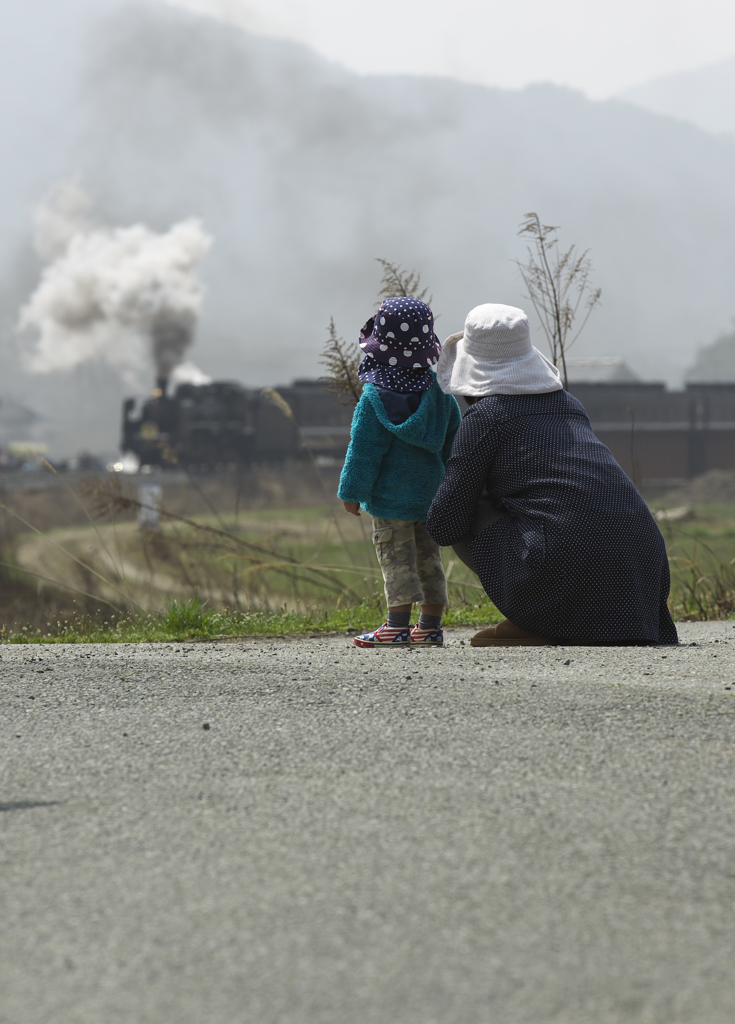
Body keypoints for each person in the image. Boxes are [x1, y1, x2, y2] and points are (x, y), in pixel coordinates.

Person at [426, 303, 678, 647]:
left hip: (564, 567)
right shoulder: (569, 404)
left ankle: (540, 620)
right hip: (645, 569)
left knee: (463, 512)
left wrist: (481, 492)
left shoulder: (486, 416)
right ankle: (555, 618)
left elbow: (444, 524)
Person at [338, 296, 462, 647]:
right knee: (429, 560)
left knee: (396, 561)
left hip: (390, 500)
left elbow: (363, 451)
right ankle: (430, 627)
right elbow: (456, 445)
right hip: (429, 496)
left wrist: (351, 491)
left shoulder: (373, 399)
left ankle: (395, 627)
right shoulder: (441, 396)